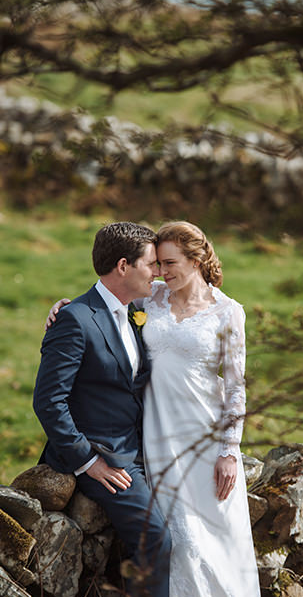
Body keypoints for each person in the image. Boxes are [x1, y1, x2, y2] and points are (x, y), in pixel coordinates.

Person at [47, 221, 260, 597]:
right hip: (156, 436)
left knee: (208, 537)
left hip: (204, 433)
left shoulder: (228, 313)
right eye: (157, 263)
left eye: (169, 262)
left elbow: (236, 386)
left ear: (197, 259)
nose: (161, 271)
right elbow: (105, 303)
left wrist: (230, 451)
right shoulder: (154, 298)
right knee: (172, 535)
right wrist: (65, 306)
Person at [33, 221, 172, 597]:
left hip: (142, 447)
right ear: (123, 266)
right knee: (156, 537)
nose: (157, 273)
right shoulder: (75, 320)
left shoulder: (134, 310)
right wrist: (88, 461)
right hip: (104, 457)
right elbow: (48, 401)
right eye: (151, 264)